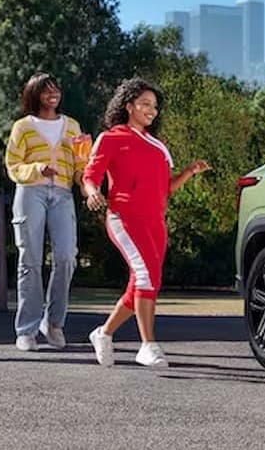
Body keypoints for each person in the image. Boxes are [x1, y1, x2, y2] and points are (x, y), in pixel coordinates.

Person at [82, 77, 210, 368]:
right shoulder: (112, 137)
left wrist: (190, 171)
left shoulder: (157, 145)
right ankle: (148, 345)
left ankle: (103, 333)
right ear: (129, 106)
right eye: (145, 104)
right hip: (124, 218)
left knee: (144, 283)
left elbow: (165, 188)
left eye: (154, 106)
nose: (151, 110)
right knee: (145, 278)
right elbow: (90, 175)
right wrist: (92, 192)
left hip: (155, 222)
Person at [4, 72, 87, 351]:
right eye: (46, 90)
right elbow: (13, 166)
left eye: (56, 89)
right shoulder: (23, 127)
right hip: (31, 193)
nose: (53, 95)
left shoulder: (72, 126)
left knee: (66, 257)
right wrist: (37, 169)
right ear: (35, 94)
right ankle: (26, 329)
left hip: (63, 194)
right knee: (30, 260)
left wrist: (86, 181)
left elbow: (81, 165)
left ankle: (53, 323)